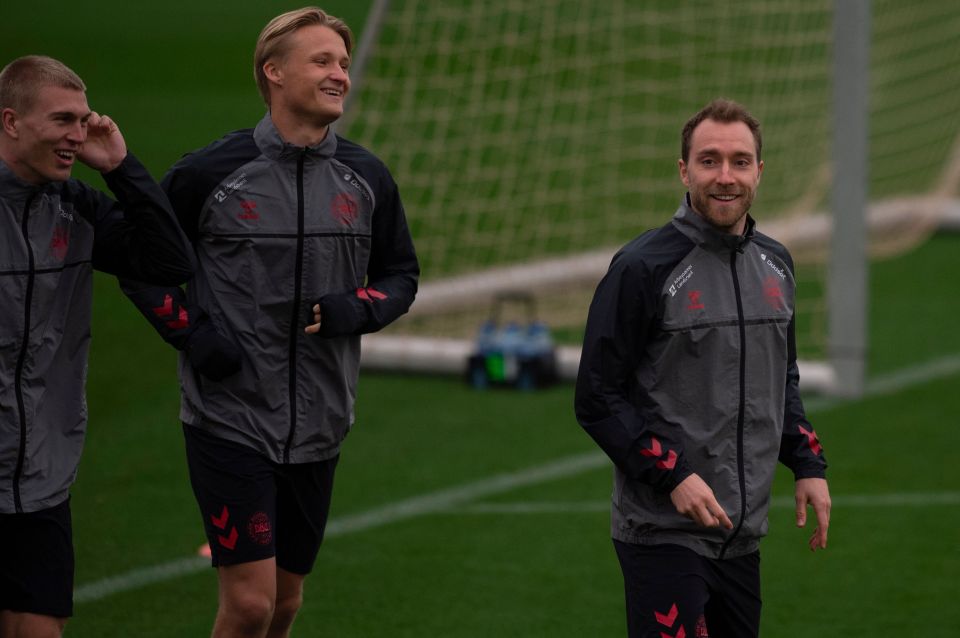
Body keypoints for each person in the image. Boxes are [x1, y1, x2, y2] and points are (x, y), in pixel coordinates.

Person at [120, 7, 419, 637]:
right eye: (323, 61)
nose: (340, 73)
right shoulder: (209, 174)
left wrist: (357, 309)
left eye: (342, 61)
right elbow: (142, 266)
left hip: (322, 422)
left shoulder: (366, 176)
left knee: (285, 603)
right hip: (230, 421)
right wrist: (192, 334)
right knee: (251, 603)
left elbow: (401, 278)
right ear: (274, 73)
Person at [574, 98, 831, 638]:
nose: (725, 177)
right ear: (684, 169)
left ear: (759, 171)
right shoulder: (643, 267)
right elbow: (597, 396)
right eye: (709, 160)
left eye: (739, 162)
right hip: (664, 530)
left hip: (742, 534)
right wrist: (674, 477)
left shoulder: (777, 264)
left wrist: (807, 462)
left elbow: (780, 377)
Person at [0, 55, 193, 637]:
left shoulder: (75, 208)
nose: (77, 136)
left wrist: (121, 167)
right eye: (63, 120)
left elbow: (170, 262)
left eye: (83, 121)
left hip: (38, 473)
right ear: (11, 121)